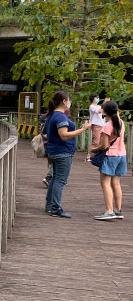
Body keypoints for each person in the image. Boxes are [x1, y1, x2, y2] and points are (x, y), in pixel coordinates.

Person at [44, 90, 91, 218]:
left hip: (54, 151)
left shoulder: (52, 115)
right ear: (64, 101)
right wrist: (83, 129)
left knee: (54, 178)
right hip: (62, 152)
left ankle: (49, 205)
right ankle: (55, 208)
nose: (70, 102)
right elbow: (64, 135)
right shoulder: (60, 116)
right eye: (69, 100)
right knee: (60, 180)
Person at [90, 101, 126, 221]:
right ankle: (118, 210)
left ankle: (109, 211)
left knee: (105, 183)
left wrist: (94, 149)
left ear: (104, 112)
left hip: (110, 156)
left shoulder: (107, 126)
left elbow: (104, 146)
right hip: (122, 155)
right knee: (116, 183)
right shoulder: (121, 123)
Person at [86, 93, 110, 161]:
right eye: (96, 98)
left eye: (98, 98)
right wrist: (105, 103)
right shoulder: (92, 106)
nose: (98, 99)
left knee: (102, 142)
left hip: (102, 125)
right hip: (96, 125)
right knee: (96, 142)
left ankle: (97, 155)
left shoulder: (99, 106)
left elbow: (103, 112)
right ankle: (89, 155)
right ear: (93, 99)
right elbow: (100, 111)